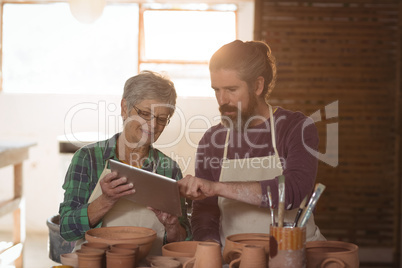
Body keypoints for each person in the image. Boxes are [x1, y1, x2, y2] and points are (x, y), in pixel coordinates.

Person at [178, 40, 325, 246]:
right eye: (216, 90)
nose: (222, 100)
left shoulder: (296, 127)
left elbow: (292, 191)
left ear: (257, 85)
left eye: (231, 89)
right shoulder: (213, 140)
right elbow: (205, 210)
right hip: (235, 257)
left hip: (295, 253)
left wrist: (217, 188)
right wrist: (211, 249)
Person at [59, 71, 191, 255]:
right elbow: (66, 229)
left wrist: (172, 225)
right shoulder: (87, 158)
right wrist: (105, 201)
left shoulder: (170, 169)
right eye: (145, 113)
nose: (153, 126)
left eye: (161, 119)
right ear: (124, 107)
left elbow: (183, 242)